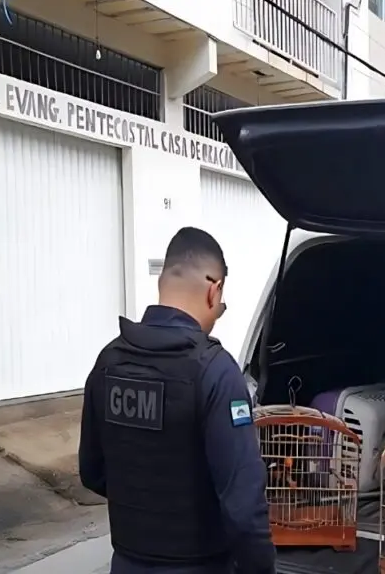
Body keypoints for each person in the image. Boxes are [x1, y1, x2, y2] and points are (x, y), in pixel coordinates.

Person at [78, 227, 276, 574]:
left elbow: (92, 472)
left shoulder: (108, 362)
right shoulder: (215, 373)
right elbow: (244, 510)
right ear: (214, 292)